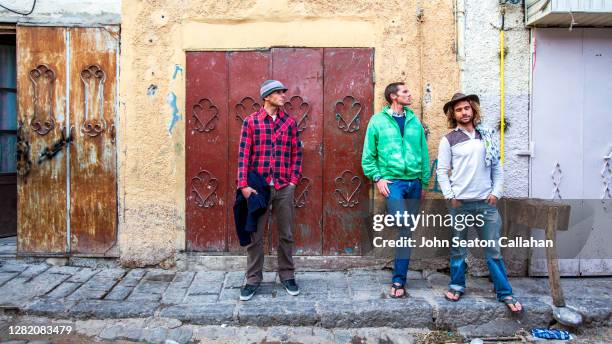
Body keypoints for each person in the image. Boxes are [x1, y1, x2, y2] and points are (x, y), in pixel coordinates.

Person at [436, 92, 522, 312]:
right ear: (453, 115)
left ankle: (505, 292)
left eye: (467, 108)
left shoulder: (487, 135)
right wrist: (450, 196)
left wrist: (496, 193)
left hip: (486, 203)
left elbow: (497, 169)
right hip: (460, 204)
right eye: (458, 110)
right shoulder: (449, 139)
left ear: (473, 109)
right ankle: (456, 285)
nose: (464, 112)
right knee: (458, 249)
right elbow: (442, 172)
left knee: (493, 250)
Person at [362, 82, 430, 298]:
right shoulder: (378, 122)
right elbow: (368, 156)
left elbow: (424, 153)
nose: (410, 95)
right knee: (402, 224)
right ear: (393, 96)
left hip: (414, 183)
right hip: (393, 184)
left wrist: (424, 182)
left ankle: (399, 280)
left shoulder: (414, 122)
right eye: (405, 92)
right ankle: (399, 279)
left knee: (406, 233)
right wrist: (378, 178)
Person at [237, 80, 303, 301]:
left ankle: (287, 275)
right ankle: (253, 279)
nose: (283, 95)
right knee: (256, 236)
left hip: (284, 187)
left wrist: (293, 181)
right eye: (278, 92)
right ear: (266, 97)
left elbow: (297, 154)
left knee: (286, 234)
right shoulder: (251, 122)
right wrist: (243, 185)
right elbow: (243, 156)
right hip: (259, 189)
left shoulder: (289, 123)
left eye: (284, 91)